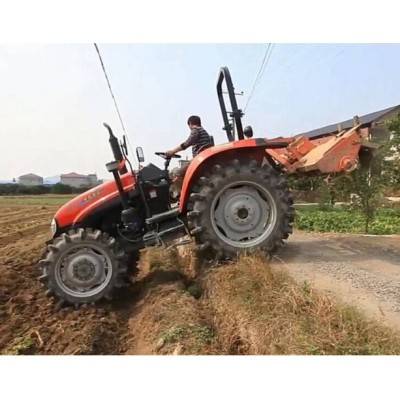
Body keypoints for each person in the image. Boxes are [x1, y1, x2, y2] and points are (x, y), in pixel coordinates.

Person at [166, 115, 213, 200]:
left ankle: (186, 196)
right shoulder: (203, 131)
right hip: (202, 158)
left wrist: (172, 152)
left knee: (177, 174)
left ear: (190, 123)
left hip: (198, 159)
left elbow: (186, 143)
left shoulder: (196, 130)